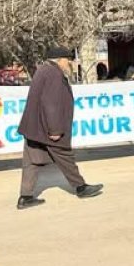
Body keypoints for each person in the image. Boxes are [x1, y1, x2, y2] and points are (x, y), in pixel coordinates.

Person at [16, 46, 103, 209]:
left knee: (31, 162)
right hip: (46, 128)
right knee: (64, 156)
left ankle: (25, 197)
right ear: (60, 60)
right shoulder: (53, 74)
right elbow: (52, 104)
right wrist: (55, 130)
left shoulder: (43, 70)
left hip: (34, 127)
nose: (69, 63)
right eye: (68, 60)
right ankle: (81, 187)